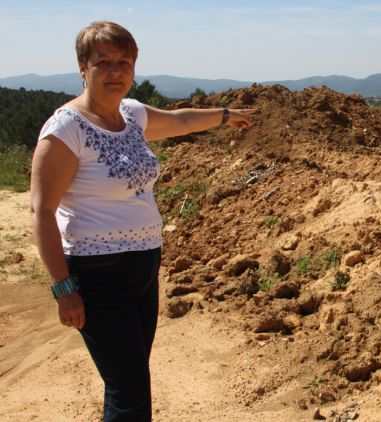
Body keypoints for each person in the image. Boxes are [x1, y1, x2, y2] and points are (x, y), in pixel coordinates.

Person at [30, 21, 255, 421]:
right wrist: (63, 289)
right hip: (98, 273)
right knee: (129, 389)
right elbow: (42, 211)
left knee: (127, 379)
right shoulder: (67, 129)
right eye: (104, 63)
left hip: (144, 267)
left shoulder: (131, 115)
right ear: (83, 67)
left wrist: (224, 115)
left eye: (124, 62)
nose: (115, 71)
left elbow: (181, 121)